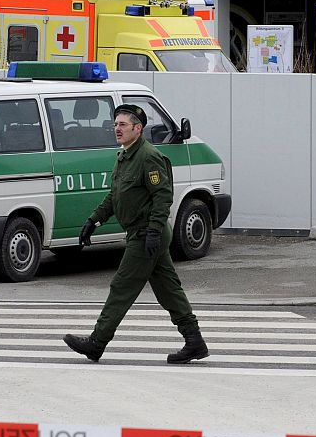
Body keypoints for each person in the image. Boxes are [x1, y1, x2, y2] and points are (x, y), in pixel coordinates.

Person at [63, 104, 209, 365]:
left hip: (145, 234)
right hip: (142, 232)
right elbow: (115, 196)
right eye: (115, 124)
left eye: (122, 125)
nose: (116, 129)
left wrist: (153, 231)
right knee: (169, 290)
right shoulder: (125, 156)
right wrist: (93, 220)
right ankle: (194, 341)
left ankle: (97, 343)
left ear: (137, 129)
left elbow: (162, 196)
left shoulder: (148, 156)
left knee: (122, 287)